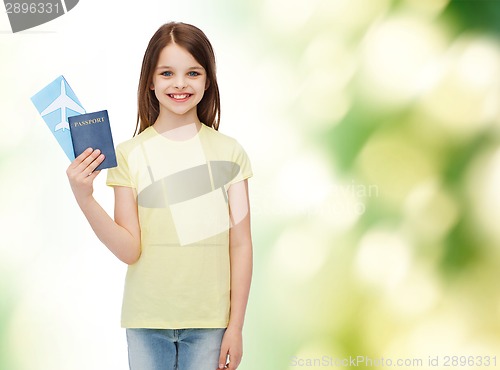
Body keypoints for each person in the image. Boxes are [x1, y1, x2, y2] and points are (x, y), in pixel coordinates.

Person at [66, 22, 253, 370]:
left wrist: (236, 326)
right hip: (146, 321)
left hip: (211, 322)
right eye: (167, 73)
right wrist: (85, 198)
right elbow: (129, 249)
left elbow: (240, 244)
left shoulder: (231, 155)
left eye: (192, 73)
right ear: (150, 81)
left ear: (208, 80)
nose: (180, 83)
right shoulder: (128, 155)